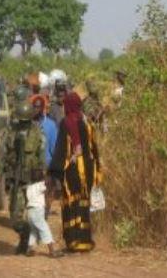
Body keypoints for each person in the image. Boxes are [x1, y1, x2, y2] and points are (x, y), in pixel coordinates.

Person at [49, 92, 101, 253]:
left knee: (72, 203)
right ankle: (85, 242)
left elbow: (61, 149)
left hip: (72, 171)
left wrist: (54, 171)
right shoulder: (87, 122)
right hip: (88, 170)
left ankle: (73, 241)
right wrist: (97, 168)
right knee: (83, 204)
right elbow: (94, 148)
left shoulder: (66, 123)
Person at [7, 101, 46, 255]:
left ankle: (30, 244)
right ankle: (25, 235)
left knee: (34, 214)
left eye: (25, 120)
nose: (23, 123)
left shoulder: (37, 133)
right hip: (17, 177)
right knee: (15, 217)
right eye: (21, 120)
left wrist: (41, 174)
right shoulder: (12, 132)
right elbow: (6, 153)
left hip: (32, 179)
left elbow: (41, 155)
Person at [25, 169, 63, 258]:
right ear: (41, 178)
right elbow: (47, 186)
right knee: (45, 229)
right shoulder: (40, 185)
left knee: (34, 231)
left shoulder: (29, 187)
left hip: (29, 212)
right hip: (37, 212)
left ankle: (29, 249)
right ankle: (52, 251)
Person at [32, 97, 57, 168]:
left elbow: (54, 148)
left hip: (45, 165)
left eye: (38, 107)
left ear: (42, 108)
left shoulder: (51, 125)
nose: (35, 109)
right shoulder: (29, 124)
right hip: (31, 166)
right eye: (34, 107)